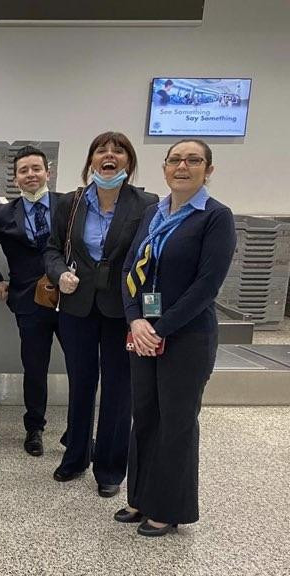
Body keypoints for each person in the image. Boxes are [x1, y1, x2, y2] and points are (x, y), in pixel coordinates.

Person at [116, 140, 236, 536]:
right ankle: (140, 497)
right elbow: (130, 270)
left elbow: (206, 286)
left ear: (208, 169)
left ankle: (167, 508)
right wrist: (135, 320)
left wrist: (160, 327)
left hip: (186, 336)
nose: (182, 166)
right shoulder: (154, 213)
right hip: (144, 332)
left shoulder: (215, 218)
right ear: (165, 167)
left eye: (193, 160)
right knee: (145, 416)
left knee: (177, 421)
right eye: (175, 160)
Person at [43, 131, 158, 498]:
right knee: (80, 383)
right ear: (90, 161)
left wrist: (148, 309)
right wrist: (59, 273)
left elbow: (151, 257)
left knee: (118, 388)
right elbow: (51, 249)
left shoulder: (146, 205)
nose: (109, 156)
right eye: (101, 150)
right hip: (77, 307)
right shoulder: (71, 203)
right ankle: (76, 456)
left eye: (118, 150)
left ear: (129, 161)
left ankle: (110, 467)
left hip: (123, 309)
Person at [0, 146, 63, 457]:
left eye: (36, 169)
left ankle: (80, 429)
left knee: (81, 366)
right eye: (24, 170)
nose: (31, 175)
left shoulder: (69, 205)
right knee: (34, 367)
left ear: (48, 172)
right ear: (15, 178)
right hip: (29, 302)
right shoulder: (2, 214)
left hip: (72, 301)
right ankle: (34, 427)